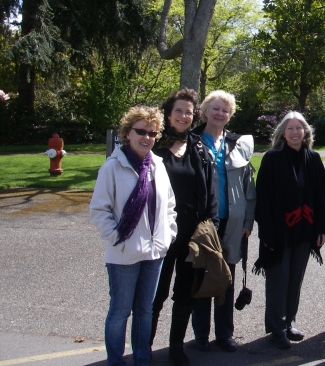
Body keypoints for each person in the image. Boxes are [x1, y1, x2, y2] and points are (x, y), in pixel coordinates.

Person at [90, 106, 177, 366]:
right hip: (123, 254)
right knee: (119, 312)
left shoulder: (158, 165)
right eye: (141, 131)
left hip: (154, 252)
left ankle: (142, 360)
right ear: (127, 133)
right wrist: (118, 238)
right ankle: (115, 362)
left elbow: (169, 206)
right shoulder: (112, 167)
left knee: (145, 311)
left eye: (152, 133)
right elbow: (99, 210)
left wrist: (168, 236)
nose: (147, 137)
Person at [149, 89, 218, 366]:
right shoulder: (154, 145)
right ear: (168, 114)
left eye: (189, 112)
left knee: (185, 293)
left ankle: (176, 346)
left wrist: (210, 226)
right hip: (161, 233)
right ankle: (145, 345)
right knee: (156, 294)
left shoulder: (199, 147)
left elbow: (211, 190)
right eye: (178, 110)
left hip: (192, 234)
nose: (184, 116)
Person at [253, 111, 325, 349]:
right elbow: (262, 199)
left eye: (299, 128)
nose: (295, 132)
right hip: (278, 232)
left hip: (304, 230)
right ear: (283, 133)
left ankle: (289, 322)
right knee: (278, 280)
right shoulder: (272, 158)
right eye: (290, 128)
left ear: (306, 132)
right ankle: (277, 327)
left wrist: (321, 228)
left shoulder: (313, 158)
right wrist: (265, 234)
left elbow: (321, 197)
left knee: (295, 278)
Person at [190, 90, 256, 353]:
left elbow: (249, 187)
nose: (220, 114)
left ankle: (225, 333)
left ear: (230, 115)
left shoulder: (238, 144)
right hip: (202, 224)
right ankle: (201, 335)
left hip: (233, 221)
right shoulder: (191, 141)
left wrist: (248, 222)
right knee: (202, 277)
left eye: (225, 110)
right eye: (215, 109)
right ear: (205, 111)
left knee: (226, 279)